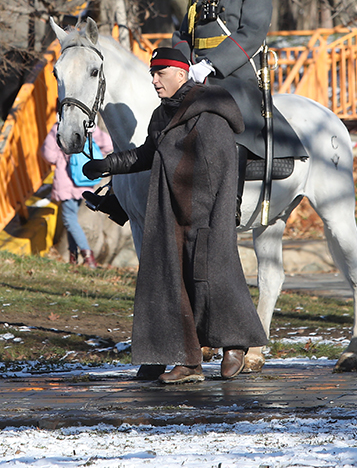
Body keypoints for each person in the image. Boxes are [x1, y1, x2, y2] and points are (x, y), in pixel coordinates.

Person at [82, 47, 267, 384]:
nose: (154, 80)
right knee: (171, 283)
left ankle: (236, 344)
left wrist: (216, 213)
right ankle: (188, 362)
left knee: (215, 276)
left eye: (161, 73)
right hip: (173, 212)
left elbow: (221, 166)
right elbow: (148, 155)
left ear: (181, 74)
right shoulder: (161, 115)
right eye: (152, 74)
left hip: (208, 210)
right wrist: (106, 165)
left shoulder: (209, 112)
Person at [172, 0, 304, 164]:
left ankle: (233, 197)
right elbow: (182, 34)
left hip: (235, 77)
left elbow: (252, 32)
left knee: (233, 130)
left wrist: (210, 64)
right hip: (195, 76)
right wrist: (182, 67)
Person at [41, 123, 113, 268]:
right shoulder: (89, 128)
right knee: (71, 218)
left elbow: (48, 154)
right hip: (84, 180)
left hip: (67, 181)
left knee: (68, 219)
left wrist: (62, 159)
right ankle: (73, 258)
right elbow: (108, 145)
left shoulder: (59, 128)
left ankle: (88, 257)